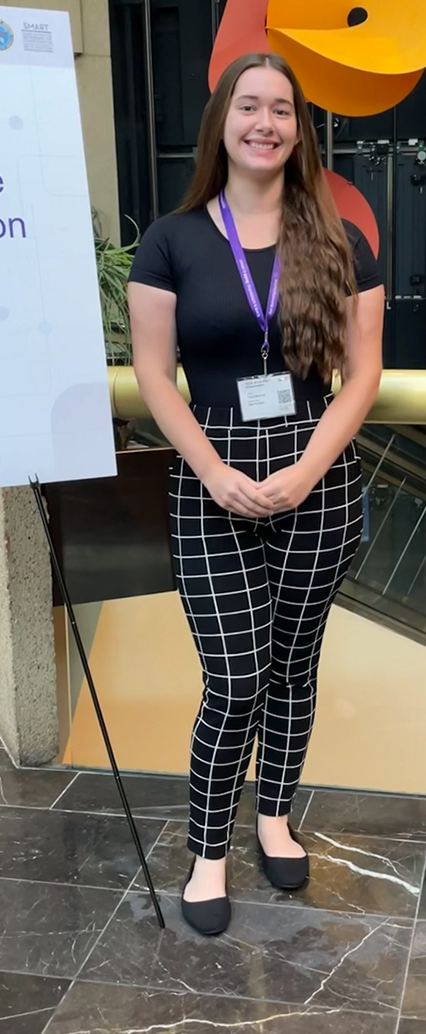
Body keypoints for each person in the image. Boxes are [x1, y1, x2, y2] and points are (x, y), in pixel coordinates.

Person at [127, 52, 384, 937]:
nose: (265, 121)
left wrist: (307, 470)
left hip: (319, 474)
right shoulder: (172, 238)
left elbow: (363, 374)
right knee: (236, 678)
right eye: (249, 106)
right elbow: (154, 375)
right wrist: (214, 470)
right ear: (222, 125)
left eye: (282, 108)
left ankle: (273, 816)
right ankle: (209, 852)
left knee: (293, 665)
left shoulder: (341, 239)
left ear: (300, 130)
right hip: (214, 473)